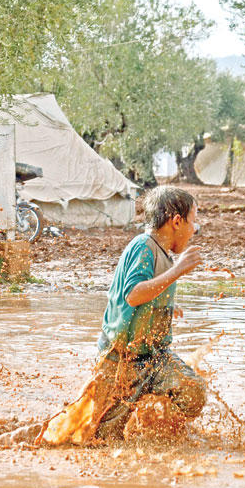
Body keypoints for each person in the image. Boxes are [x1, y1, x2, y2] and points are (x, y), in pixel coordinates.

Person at [92, 185, 207, 439]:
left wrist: (163, 305)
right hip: (121, 362)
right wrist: (177, 271)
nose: (193, 232)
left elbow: (146, 294)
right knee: (103, 437)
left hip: (154, 357)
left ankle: (159, 431)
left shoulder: (160, 252)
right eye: (193, 224)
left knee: (193, 392)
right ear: (176, 221)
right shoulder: (144, 246)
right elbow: (133, 294)